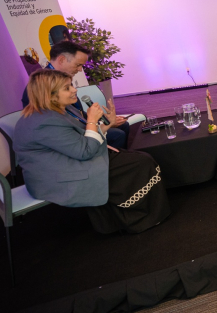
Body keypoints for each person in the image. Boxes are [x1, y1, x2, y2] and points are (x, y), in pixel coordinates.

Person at [13, 70, 170, 234]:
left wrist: (106, 125)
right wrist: (92, 120)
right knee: (140, 163)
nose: (75, 90)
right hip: (56, 175)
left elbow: (82, 141)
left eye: (72, 85)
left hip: (69, 160)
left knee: (138, 159)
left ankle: (135, 214)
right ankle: (133, 219)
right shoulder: (44, 122)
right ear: (50, 95)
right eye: (67, 88)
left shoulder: (57, 110)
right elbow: (84, 151)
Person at [21, 41, 128, 150]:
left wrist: (103, 119)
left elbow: (76, 112)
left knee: (123, 126)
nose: (80, 70)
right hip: (67, 132)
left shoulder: (61, 80)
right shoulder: (42, 86)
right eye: (78, 65)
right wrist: (95, 124)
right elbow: (58, 122)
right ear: (62, 60)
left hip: (76, 124)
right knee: (117, 135)